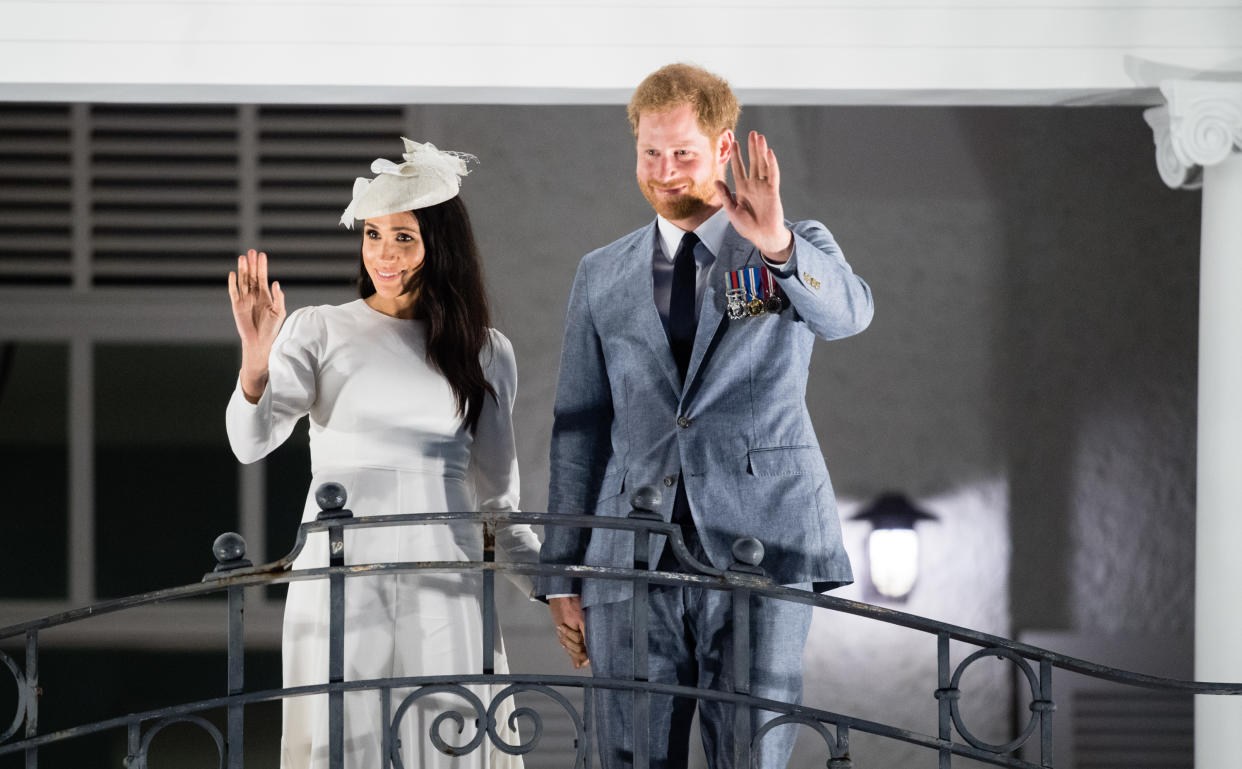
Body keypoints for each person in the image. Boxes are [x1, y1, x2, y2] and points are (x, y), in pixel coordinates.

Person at [538, 63, 874, 768]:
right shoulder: (600, 273)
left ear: (724, 149)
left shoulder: (792, 244)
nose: (664, 171)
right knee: (625, 757)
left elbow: (850, 314)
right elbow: (579, 426)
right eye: (650, 152)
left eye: (683, 153)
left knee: (750, 756)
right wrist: (564, 569)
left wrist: (779, 243)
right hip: (630, 556)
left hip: (766, 544)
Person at [225, 138, 540, 769]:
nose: (384, 255)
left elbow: (500, 507)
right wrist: (255, 364)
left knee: (455, 742)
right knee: (342, 745)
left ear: (439, 246)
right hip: (341, 577)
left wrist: (554, 592)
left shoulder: (485, 351)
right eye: (373, 234)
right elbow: (251, 441)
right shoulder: (318, 328)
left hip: (446, 579)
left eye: (404, 237)